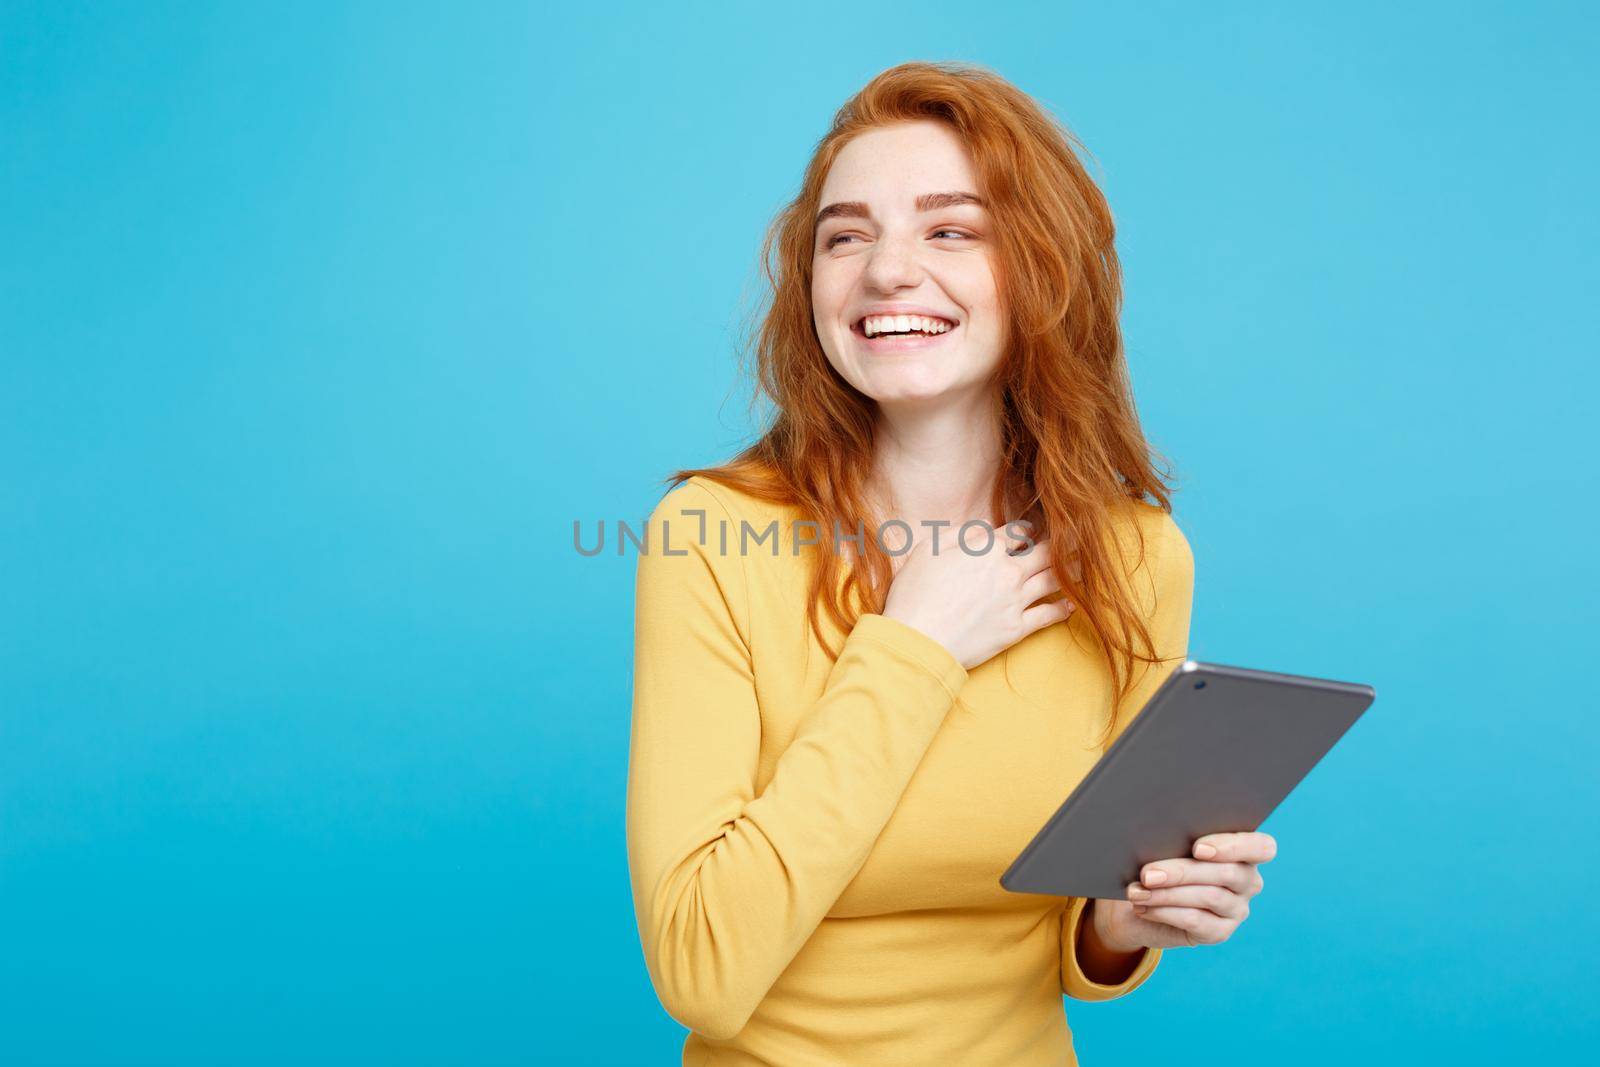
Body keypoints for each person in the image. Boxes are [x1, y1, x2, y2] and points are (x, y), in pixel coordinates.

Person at [625, 60, 1276, 1066]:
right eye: (846, 235)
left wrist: (1123, 922)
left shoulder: (1133, 557)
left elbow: (1067, 941)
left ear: (1041, 267)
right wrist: (913, 646)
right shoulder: (709, 537)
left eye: (949, 229)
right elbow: (700, 970)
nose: (886, 270)